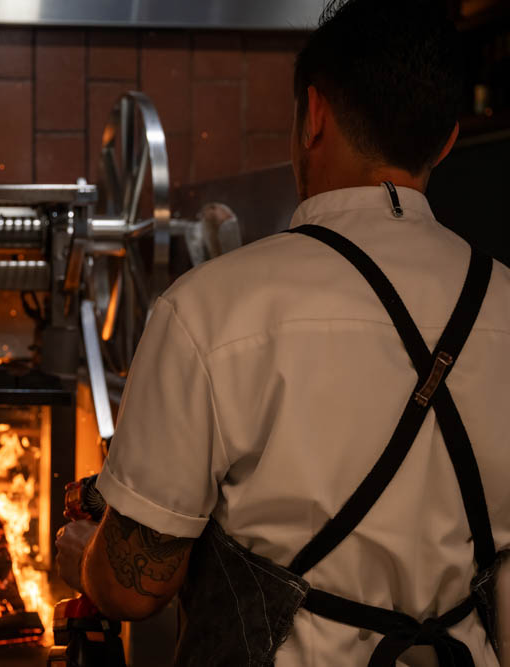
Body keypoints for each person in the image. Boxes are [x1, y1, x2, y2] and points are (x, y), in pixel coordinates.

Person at [55, 0, 510, 664]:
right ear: (447, 140)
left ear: (314, 115)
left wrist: (85, 555)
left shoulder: (207, 309)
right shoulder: (503, 302)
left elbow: (133, 587)